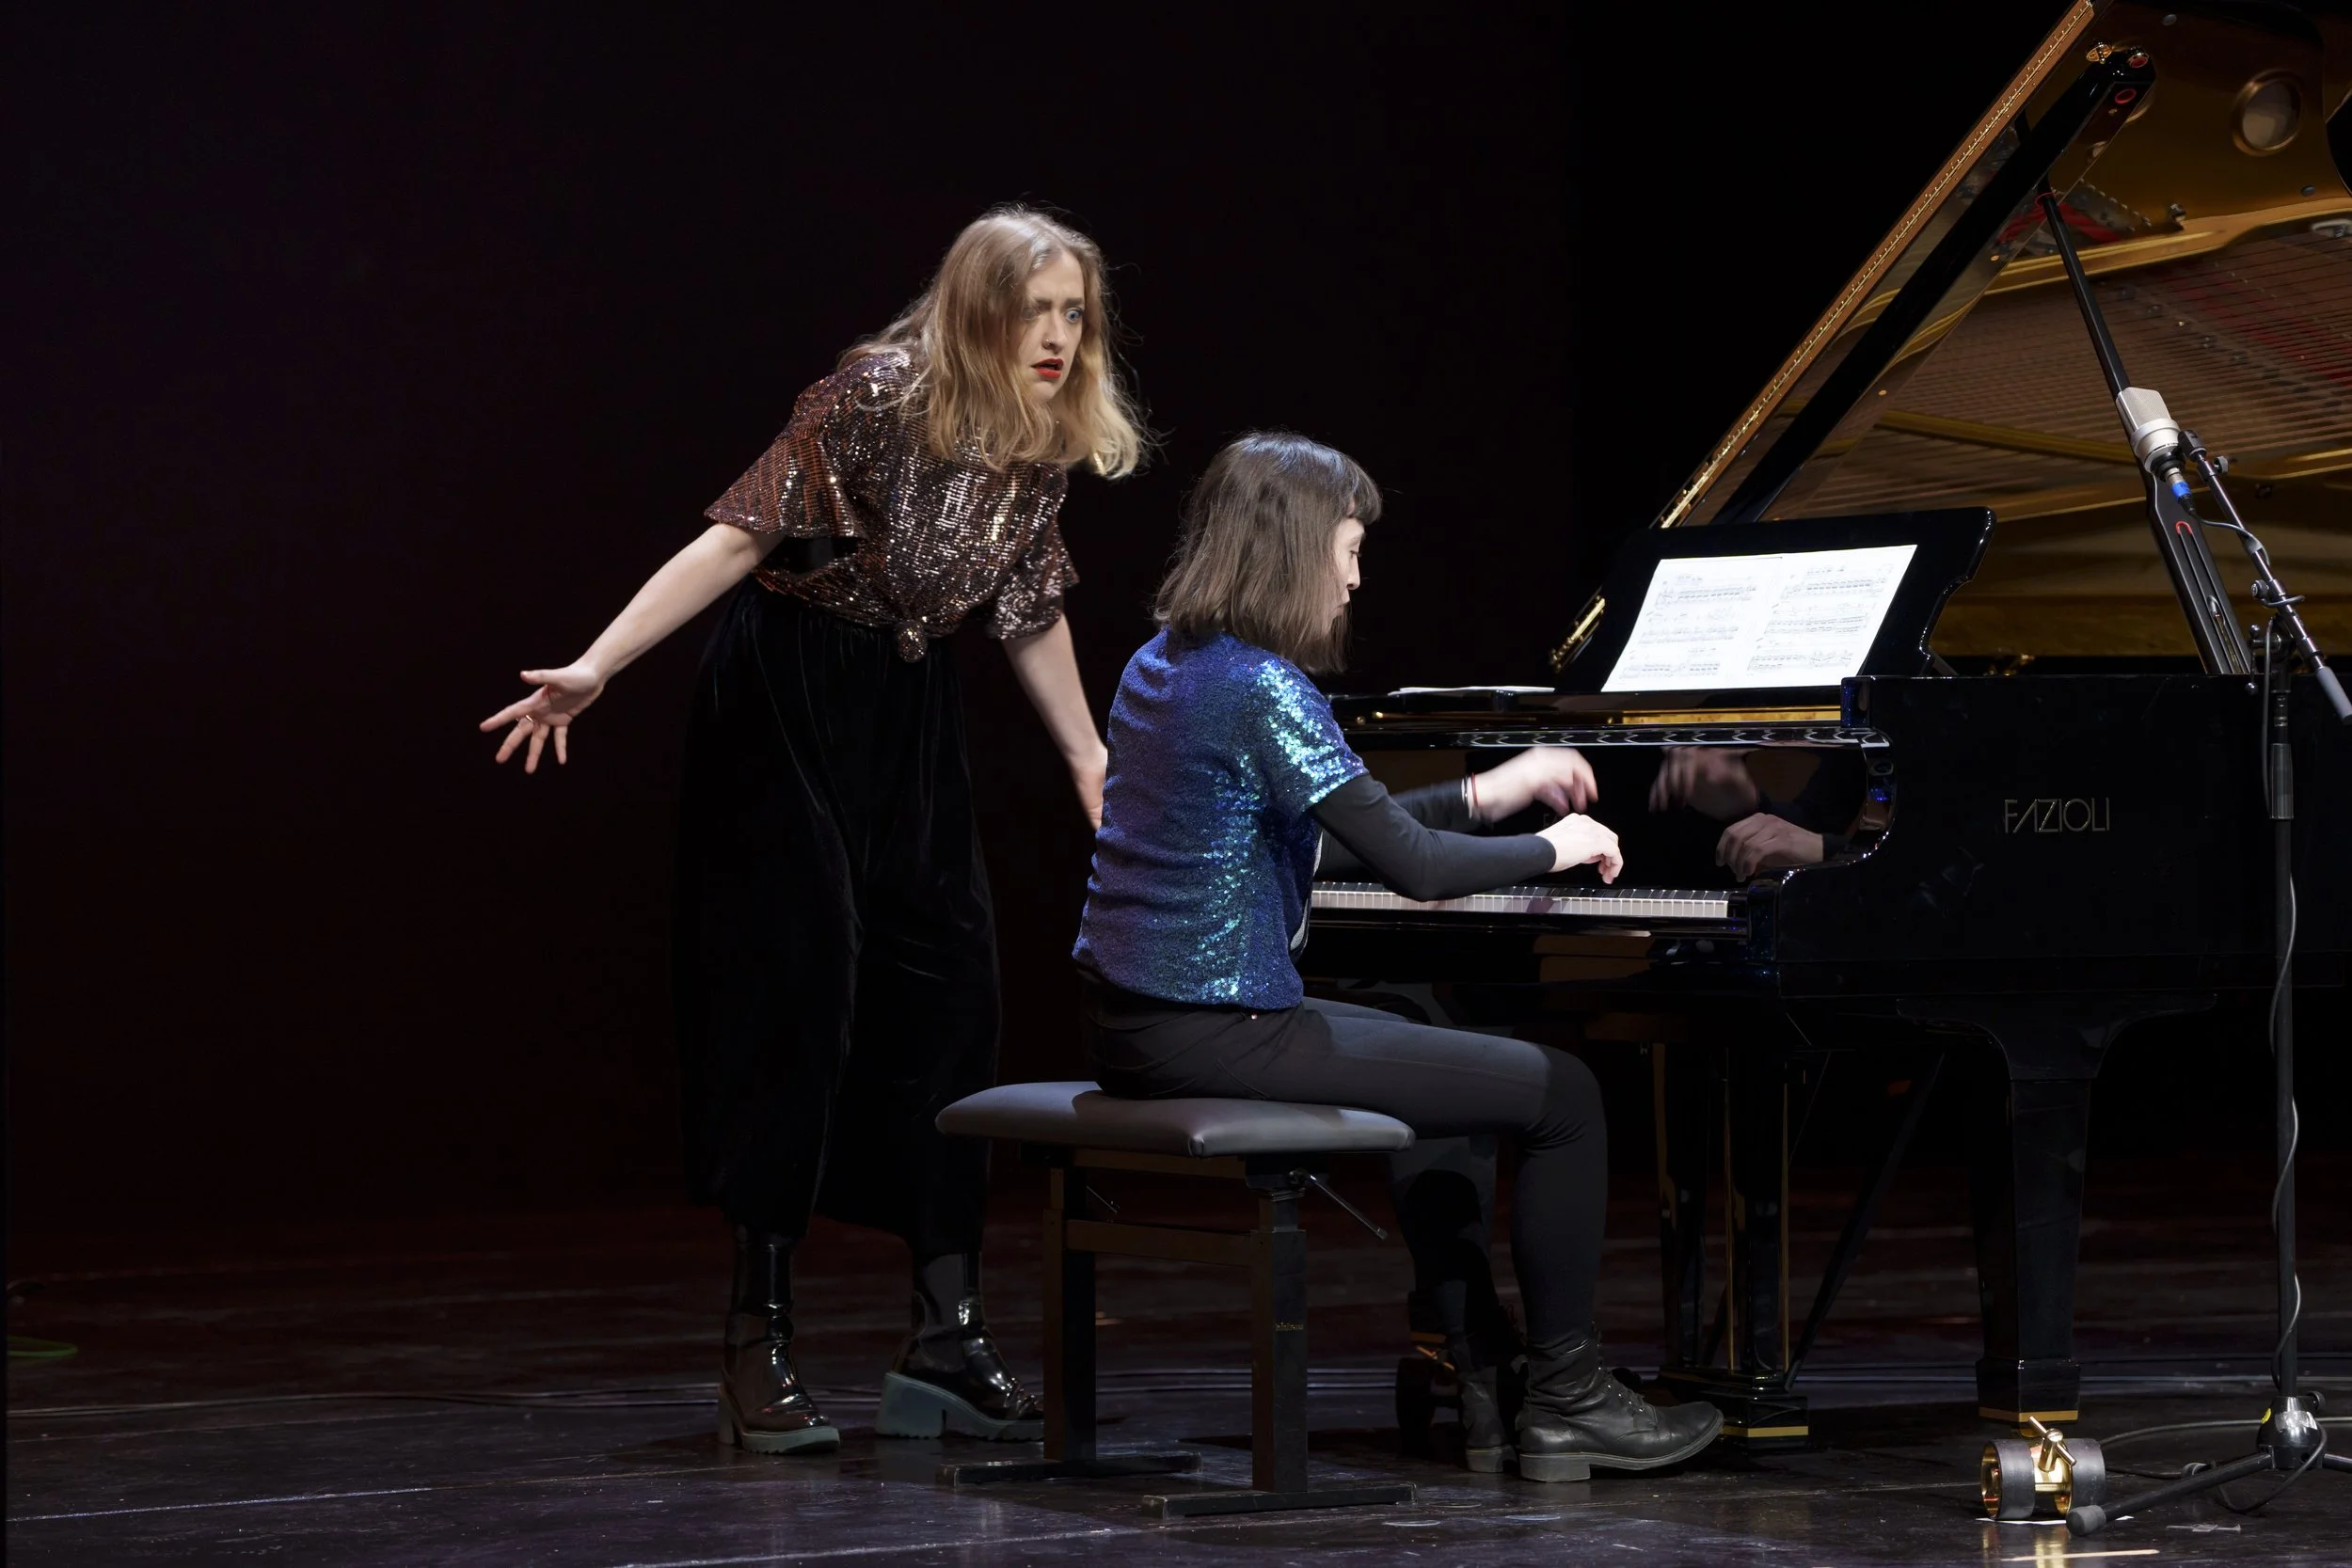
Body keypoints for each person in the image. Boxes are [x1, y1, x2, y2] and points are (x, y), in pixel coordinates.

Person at [480, 207, 1147, 1454]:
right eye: (1034, 310)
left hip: (906, 707)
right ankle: (758, 1334)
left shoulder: (1038, 439)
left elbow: (1027, 605)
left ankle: (944, 1333)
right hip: (786, 695)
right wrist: (599, 664)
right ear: (977, 309)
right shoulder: (874, 397)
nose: (1057, 336)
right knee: (798, 988)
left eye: (1074, 313)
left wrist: (1087, 756)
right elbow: (737, 539)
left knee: (954, 996)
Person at [1070, 432, 1723, 1481]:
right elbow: (1412, 867)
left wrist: (1486, 793)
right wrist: (1554, 845)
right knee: (1564, 1096)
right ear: (1297, 548)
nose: (1356, 577)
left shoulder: (1167, 664)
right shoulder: (1265, 686)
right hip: (1219, 1032)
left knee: (1427, 1035)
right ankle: (1570, 1397)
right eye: (1350, 548)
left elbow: (1325, 837)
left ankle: (1481, 1365)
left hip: (1134, 1022)